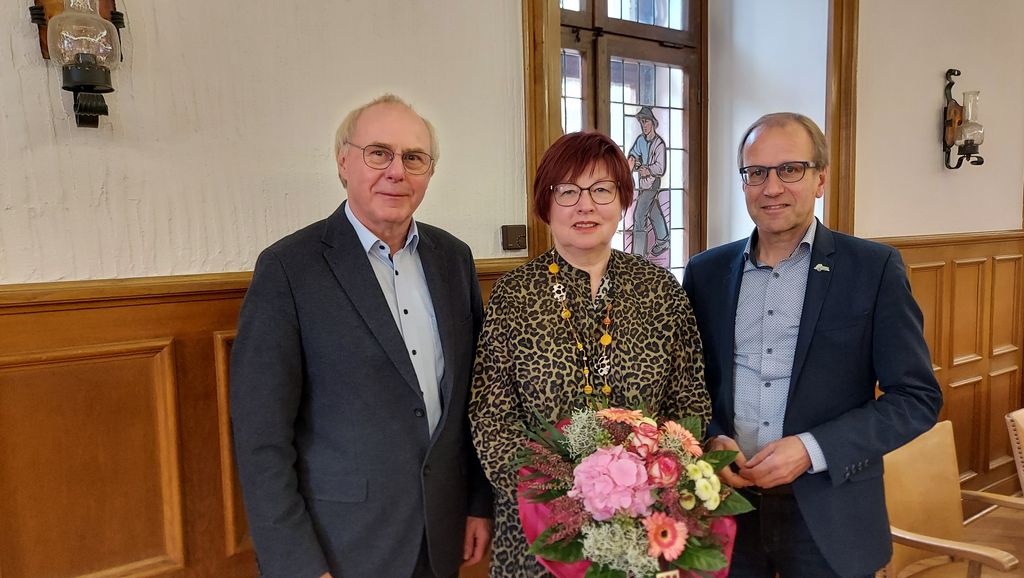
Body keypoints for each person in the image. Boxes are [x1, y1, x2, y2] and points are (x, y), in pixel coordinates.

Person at [230, 94, 493, 578]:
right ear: (344, 161)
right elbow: (260, 438)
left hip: (439, 535)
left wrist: (478, 501)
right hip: (340, 546)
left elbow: (473, 400)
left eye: (414, 157)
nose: (397, 171)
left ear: (429, 172)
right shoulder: (289, 268)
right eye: (379, 153)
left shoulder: (454, 259)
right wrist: (297, 564)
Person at [682, 112, 942, 577]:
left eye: (790, 169)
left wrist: (811, 448)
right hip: (725, 503)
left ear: (820, 179)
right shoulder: (705, 272)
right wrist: (710, 437)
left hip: (831, 509)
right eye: (756, 172)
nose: (772, 187)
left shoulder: (874, 268)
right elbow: (690, 383)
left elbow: (916, 398)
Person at [469, 131, 711, 576]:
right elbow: (491, 415)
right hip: (538, 528)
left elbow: (689, 406)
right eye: (568, 191)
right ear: (546, 203)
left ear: (622, 201)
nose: (586, 206)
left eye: (602, 189)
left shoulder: (661, 292)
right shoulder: (514, 295)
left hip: (642, 524)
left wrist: (651, 488)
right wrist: (554, 497)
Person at [626, 106, 669, 257]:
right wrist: (632, 161)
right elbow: (634, 154)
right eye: (641, 122)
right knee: (653, 211)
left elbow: (661, 168)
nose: (643, 125)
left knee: (639, 215)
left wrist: (649, 170)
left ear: (653, 123)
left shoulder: (659, 144)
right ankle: (663, 240)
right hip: (643, 183)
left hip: (653, 183)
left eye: (646, 121)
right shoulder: (640, 140)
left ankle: (637, 256)